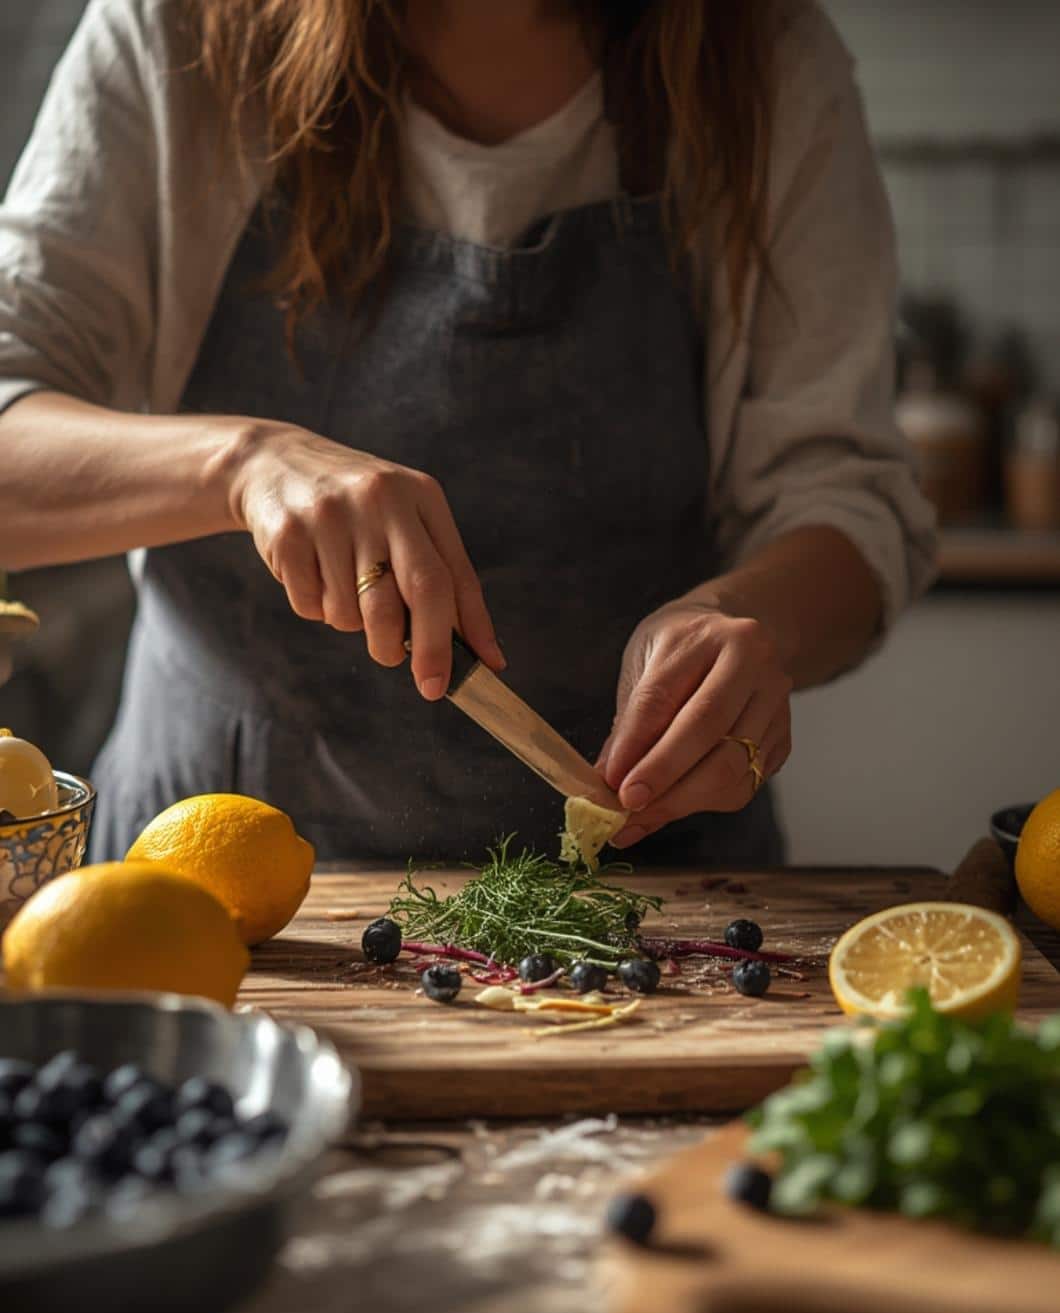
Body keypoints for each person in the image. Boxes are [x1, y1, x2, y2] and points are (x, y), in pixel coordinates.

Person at [0, 0, 935, 865]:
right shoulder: (184, 32)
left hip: (659, 896)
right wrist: (241, 466)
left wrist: (750, 617)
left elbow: (846, 498)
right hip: (216, 885)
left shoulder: (764, 57)